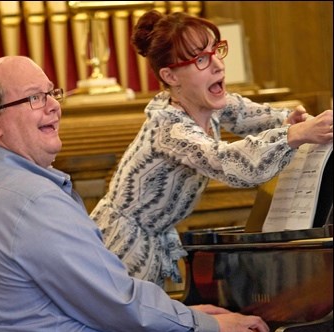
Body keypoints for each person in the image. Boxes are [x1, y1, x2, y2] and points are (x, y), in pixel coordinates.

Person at [0, 55, 270, 332]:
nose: (53, 107)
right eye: (34, 98)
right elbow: (116, 302)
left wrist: (182, 314)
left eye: (52, 93)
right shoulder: (31, 201)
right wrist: (209, 325)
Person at [90, 10, 333, 287]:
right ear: (170, 76)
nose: (218, 65)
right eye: (201, 59)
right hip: (121, 248)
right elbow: (229, 162)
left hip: (150, 238)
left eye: (216, 50)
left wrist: (295, 120)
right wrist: (294, 134)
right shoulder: (170, 128)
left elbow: (251, 114)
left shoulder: (204, 103)